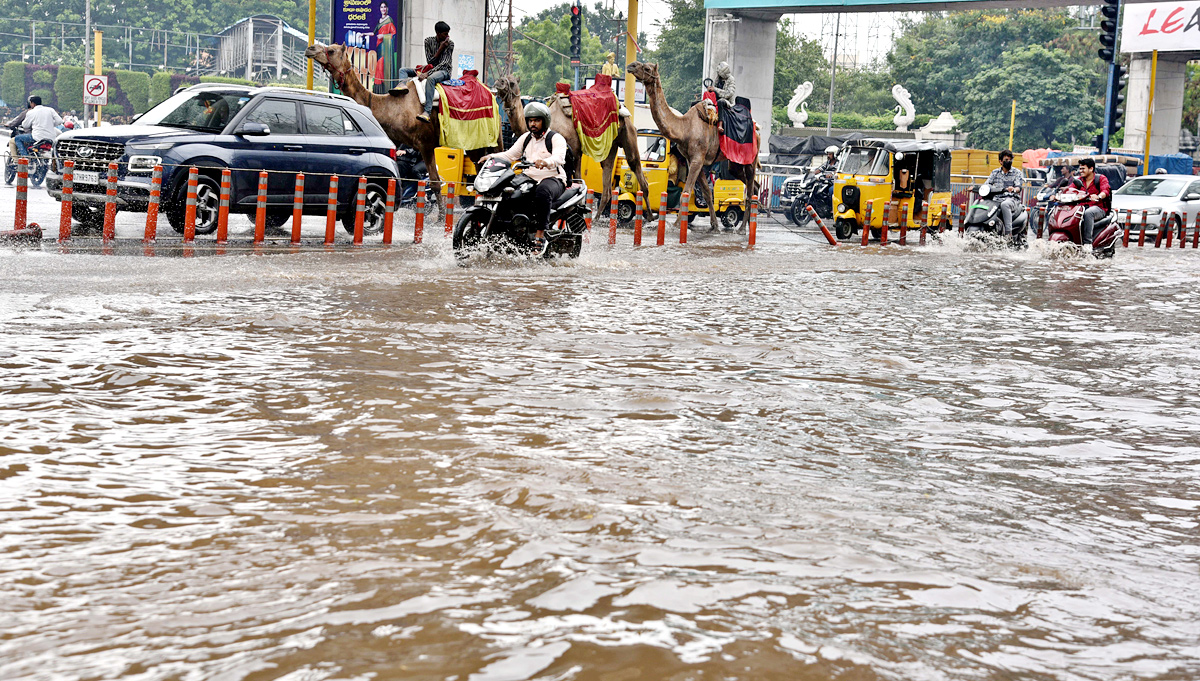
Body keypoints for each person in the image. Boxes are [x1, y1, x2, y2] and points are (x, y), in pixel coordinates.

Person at [479, 102, 566, 249]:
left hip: (553, 178)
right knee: (508, 191)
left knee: (542, 192)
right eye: (530, 121)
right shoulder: (526, 138)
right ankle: (508, 229)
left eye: (537, 120)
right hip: (529, 177)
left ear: (544, 121)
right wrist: (491, 156)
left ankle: (540, 234)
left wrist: (545, 162)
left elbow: (559, 158)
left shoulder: (555, 138)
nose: (533, 124)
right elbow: (510, 155)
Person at [399, 21, 454, 122]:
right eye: (445, 34)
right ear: (438, 33)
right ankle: (402, 86)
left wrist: (427, 74)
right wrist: (440, 49)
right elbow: (430, 61)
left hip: (443, 71)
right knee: (403, 70)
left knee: (430, 79)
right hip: (430, 68)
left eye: (447, 33)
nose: (448, 36)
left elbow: (444, 63)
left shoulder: (450, 44)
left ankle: (427, 112)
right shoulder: (428, 41)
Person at [984, 149, 1024, 236]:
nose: (1009, 162)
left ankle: (1008, 233)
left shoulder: (1016, 173)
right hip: (996, 199)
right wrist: (976, 188)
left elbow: (1018, 187)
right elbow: (987, 184)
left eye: (1010, 160)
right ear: (1000, 161)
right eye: (1006, 160)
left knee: (1004, 205)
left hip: (1011, 199)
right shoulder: (995, 173)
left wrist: (1014, 189)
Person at [11, 95, 61, 160]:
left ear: (32, 103)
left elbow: (25, 125)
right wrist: (51, 124)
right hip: (51, 138)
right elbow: (59, 121)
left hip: (37, 137)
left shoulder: (31, 112)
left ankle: (26, 157)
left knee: (17, 138)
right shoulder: (50, 110)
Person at [1077, 157, 1111, 245]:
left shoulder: (1100, 178)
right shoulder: (1079, 180)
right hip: (1081, 207)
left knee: (1089, 213)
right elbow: (1070, 189)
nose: (1081, 171)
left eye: (1083, 168)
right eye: (1080, 168)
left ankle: (1087, 243)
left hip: (1098, 208)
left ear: (1091, 169)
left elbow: (1105, 191)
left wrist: (1099, 196)